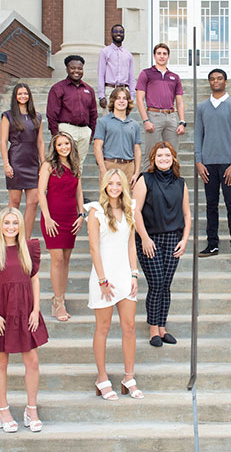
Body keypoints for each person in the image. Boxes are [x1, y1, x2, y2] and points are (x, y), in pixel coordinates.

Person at [0, 207, 48, 433]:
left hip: (24, 309)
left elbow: (34, 280)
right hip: (0, 311)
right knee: (1, 361)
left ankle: (31, 409)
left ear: (20, 225)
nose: (11, 227)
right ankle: (3, 410)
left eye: (15, 223)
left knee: (32, 360)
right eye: (7, 223)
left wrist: (36, 310)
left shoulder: (28, 249)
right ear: (0, 225)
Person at [86, 169, 144, 400]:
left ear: (123, 186)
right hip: (103, 277)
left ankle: (128, 377)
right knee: (103, 328)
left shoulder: (130, 208)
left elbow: (132, 245)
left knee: (129, 327)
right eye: (111, 183)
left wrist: (134, 274)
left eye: (118, 183)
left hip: (124, 275)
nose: (114, 187)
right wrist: (102, 280)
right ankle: (102, 378)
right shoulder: (95, 211)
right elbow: (93, 248)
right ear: (105, 185)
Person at [132, 142, 191, 347]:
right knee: (156, 283)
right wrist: (145, 238)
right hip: (150, 239)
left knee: (166, 284)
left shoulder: (180, 182)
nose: (163, 159)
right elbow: (135, 210)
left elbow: (187, 214)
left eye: (167, 155)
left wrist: (184, 240)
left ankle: (163, 327)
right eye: (159, 156)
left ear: (173, 158)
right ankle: (153, 329)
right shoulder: (144, 179)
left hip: (173, 239)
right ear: (153, 159)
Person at [195, 68, 231, 259]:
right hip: (208, 164)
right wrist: (198, 161)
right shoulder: (202, 108)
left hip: (227, 164)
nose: (216, 81)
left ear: (225, 81)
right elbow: (198, 135)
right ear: (209, 82)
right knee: (211, 205)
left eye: (219, 78)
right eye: (212, 79)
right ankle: (212, 245)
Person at [38, 132, 86, 322]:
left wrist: (81, 215)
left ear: (71, 146)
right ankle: (59, 303)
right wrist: (47, 218)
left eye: (66, 143)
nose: (64, 147)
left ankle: (60, 297)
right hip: (53, 218)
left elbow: (79, 194)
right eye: (60, 145)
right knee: (57, 259)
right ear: (55, 148)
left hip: (70, 218)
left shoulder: (75, 166)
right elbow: (41, 193)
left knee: (66, 260)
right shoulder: (48, 166)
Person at [0, 83, 45, 238]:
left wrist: (43, 163)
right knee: (15, 202)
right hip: (16, 159)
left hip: (32, 161)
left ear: (29, 96)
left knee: (33, 201)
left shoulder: (37, 116)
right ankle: (10, 236)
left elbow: (40, 142)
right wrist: (6, 164)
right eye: (20, 94)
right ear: (15, 96)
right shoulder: (8, 116)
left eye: (25, 93)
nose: (23, 96)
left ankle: (25, 239)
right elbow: (3, 141)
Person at [136, 43, 186, 170]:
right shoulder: (146, 74)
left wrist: (182, 121)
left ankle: (172, 185)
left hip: (171, 117)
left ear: (168, 56)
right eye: (159, 53)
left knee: (172, 154)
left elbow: (179, 102)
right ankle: (147, 185)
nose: (161, 56)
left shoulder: (175, 77)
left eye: (164, 54)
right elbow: (139, 99)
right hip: (153, 115)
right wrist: (146, 120)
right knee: (150, 153)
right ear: (154, 56)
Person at [46, 55, 98, 171]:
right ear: (67, 69)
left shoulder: (89, 90)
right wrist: (56, 135)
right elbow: (51, 114)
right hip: (66, 129)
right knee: (65, 163)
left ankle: (76, 189)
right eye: (72, 68)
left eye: (79, 68)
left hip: (84, 130)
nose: (76, 71)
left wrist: (91, 133)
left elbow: (93, 113)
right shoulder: (58, 88)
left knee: (79, 165)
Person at [93, 86, 142, 187]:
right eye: (118, 98)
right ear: (113, 101)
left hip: (129, 167)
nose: (121, 101)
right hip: (110, 165)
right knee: (108, 200)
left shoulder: (134, 125)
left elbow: (137, 150)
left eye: (124, 98)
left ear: (128, 102)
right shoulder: (103, 122)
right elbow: (97, 147)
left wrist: (136, 172)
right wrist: (103, 169)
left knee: (127, 201)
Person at [97, 24, 135, 109]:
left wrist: (131, 96)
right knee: (109, 120)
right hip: (110, 90)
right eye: (116, 31)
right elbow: (100, 74)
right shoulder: (105, 52)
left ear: (124, 35)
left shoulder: (128, 55)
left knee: (124, 120)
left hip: (124, 91)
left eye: (121, 32)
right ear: (111, 34)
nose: (118, 34)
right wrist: (101, 96)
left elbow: (131, 77)